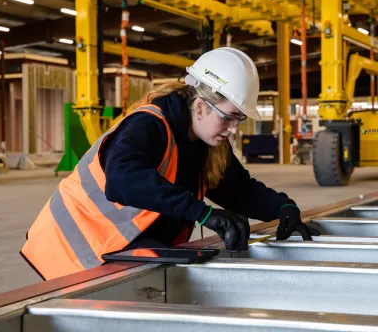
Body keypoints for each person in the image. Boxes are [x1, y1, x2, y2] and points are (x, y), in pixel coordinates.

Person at [20, 47, 317, 280]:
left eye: (238, 119)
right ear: (200, 106)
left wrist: (283, 208)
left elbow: (238, 190)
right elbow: (123, 179)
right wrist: (202, 213)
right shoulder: (148, 125)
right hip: (76, 248)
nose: (233, 129)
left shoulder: (206, 144)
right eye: (228, 117)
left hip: (117, 251)